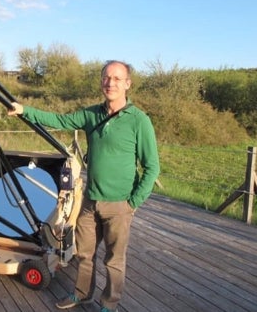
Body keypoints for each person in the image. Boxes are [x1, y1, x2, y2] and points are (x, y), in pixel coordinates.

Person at [8, 60, 160, 312]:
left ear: (127, 84)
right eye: (106, 77)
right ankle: (81, 295)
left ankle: (109, 304)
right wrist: (25, 110)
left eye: (117, 78)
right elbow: (59, 120)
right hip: (90, 201)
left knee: (114, 261)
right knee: (84, 255)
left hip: (119, 204)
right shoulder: (91, 114)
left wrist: (132, 203)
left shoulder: (139, 120)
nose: (110, 82)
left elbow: (152, 166)